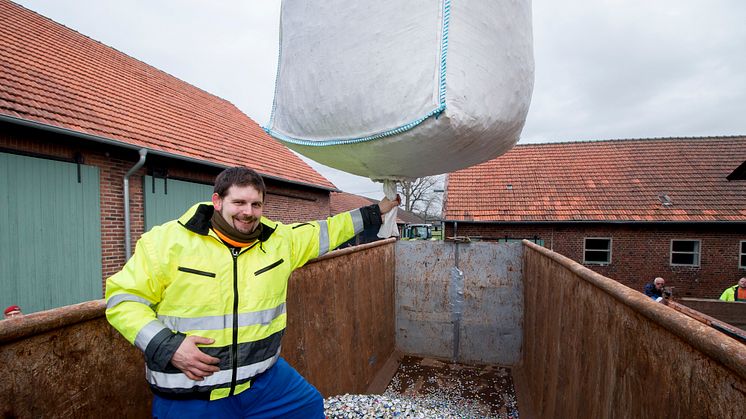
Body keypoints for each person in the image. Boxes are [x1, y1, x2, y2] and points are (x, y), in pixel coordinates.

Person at [105, 166, 399, 418]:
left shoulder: (278, 241)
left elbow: (329, 229)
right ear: (217, 201)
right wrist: (168, 346)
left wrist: (378, 211)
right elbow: (123, 300)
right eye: (239, 202)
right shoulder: (167, 241)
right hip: (192, 391)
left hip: (262, 380)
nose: (248, 212)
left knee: (309, 406)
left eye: (256, 205)